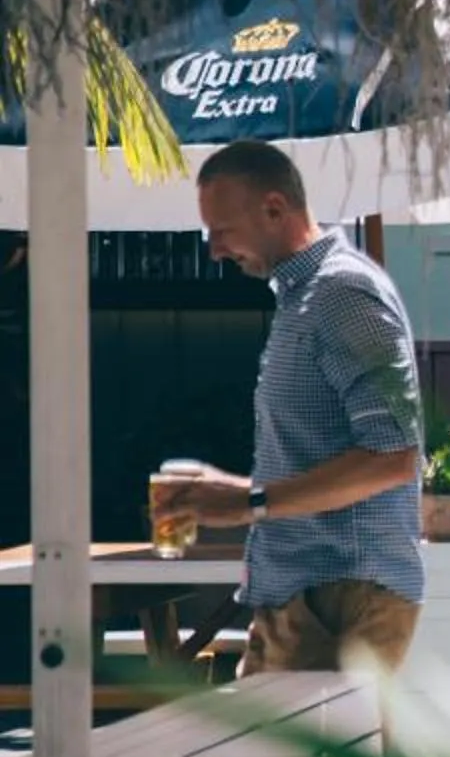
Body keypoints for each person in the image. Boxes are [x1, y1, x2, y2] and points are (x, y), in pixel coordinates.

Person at [154, 141, 425, 674]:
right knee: (258, 756)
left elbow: (394, 455)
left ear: (275, 209)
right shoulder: (305, 297)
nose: (214, 250)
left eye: (223, 231)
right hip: (306, 594)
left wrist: (249, 501)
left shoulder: (343, 293)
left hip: (343, 595)